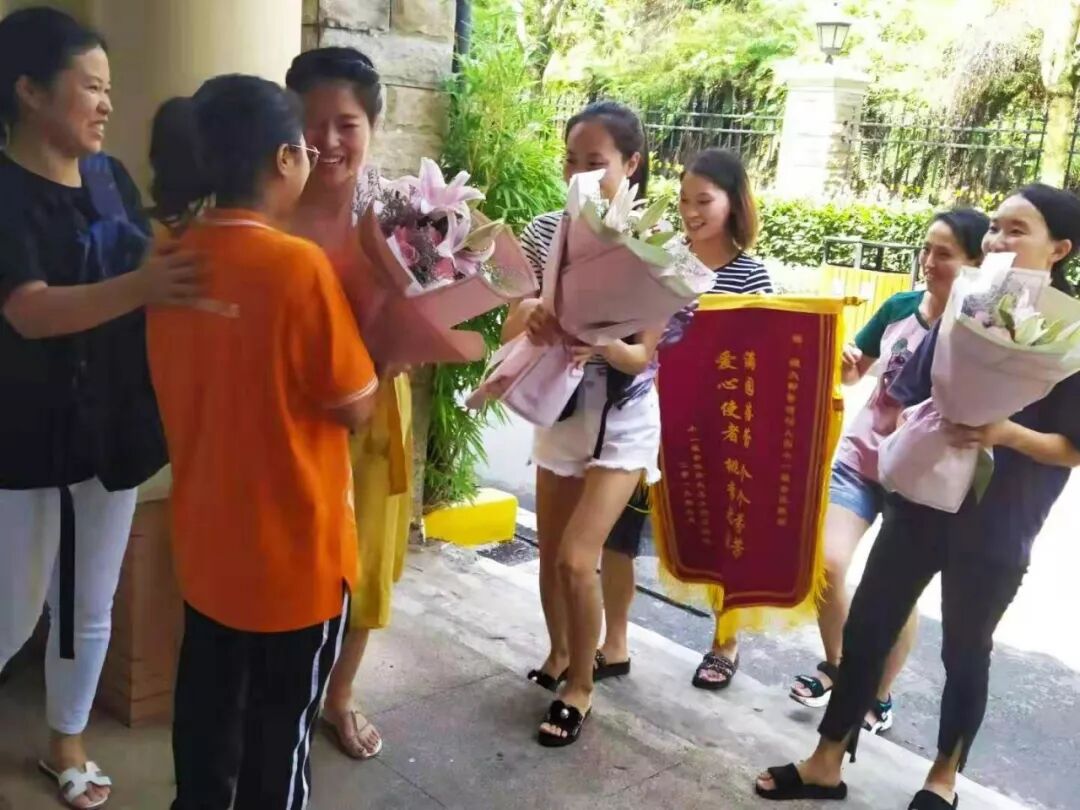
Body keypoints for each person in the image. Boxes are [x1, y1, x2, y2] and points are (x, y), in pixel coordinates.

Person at [755, 184, 1080, 809]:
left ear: (1060, 249)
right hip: (920, 500)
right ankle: (825, 761)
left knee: (965, 648)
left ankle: (942, 777)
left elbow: (1073, 447)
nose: (997, 241)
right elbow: (908, 387)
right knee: (869, 626)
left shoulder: (1070, 336)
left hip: (999, 519)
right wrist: (923, 411)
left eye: (1016, 231)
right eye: (994, 227)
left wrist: (1006, 433)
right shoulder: (967, 302)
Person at [146, 74, 378, 810]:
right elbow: (356, 406)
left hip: (207, 545)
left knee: (206, 715)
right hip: (294, 556)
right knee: (280, 739)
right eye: (305, 147)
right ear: (284, 159)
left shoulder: (173, 259)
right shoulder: (297, 267)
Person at [0, 8, 198, 808]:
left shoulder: (110, 176)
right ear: (29, 90)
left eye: (108, 89)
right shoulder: (5, 193)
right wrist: (143, 285)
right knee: (12, 612)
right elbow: (29, 310)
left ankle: (67, 743)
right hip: (23, 432)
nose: (107, 103)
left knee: (90, 600)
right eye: (90, 87)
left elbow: (144, 266)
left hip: (112, 422)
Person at [789, 208, 989, 735]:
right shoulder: (900, 307)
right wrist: (846, 364)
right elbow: (852, 370)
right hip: (861, 460)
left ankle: (877, 693)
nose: (928, 261)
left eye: (943, 254)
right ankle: (841, 669)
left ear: (976, 264)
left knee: (896, 592)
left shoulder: (982, 335)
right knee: (825, 564)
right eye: (926, 249)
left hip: (920, 479)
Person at [503, 101, 663, 745]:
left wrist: (602, 343)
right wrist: (535, 314)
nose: (579, 175)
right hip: (561, 409)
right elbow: (513, 322)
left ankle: (581, 687)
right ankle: (561, 651)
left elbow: (643, 355)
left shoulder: (656, 243)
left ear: (632, 164)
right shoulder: (547, 230)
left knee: (577, 559)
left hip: (625, 418)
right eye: (571, 161)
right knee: (550, 555)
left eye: (595, 163)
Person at [286, 45, 412, 762]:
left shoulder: (399, 213)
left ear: (372, 126)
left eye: (347, 124)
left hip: (376, 405)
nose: (327, 141)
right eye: (312, 123)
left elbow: (434, 305)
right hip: (289, 414)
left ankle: (339, 695)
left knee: (364, 562)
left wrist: (402, 348)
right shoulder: (271, 203)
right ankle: (283, 692)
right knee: (293, 554)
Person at [670, 148, 774, 691]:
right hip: (658, 412)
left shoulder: (752, 276)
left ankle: (725, 643)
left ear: (733, 203)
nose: (691, 212)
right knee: (630, 533)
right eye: (684, 199)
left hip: (719, 424)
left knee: (724, 534)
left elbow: (764, 356)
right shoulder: (665, 260)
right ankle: (613, 639)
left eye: (703, 201)